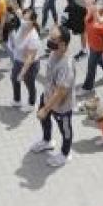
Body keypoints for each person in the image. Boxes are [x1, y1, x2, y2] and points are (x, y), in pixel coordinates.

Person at [29, 25, 75, 168]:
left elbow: (61, 92)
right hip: (47, 97)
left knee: (65, 130)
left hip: (61, 106)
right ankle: (47, 141)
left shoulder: (66, 65)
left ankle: (65, 154)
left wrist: (45, 109)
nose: (49, 41)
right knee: (44, 120)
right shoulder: (54, 53)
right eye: (50, 37)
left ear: (63, 44)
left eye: (53, 39)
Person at [7, 5, 41, 110]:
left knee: (29, 83)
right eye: (24, 19)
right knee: (14, 78)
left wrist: (22, 73)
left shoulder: (34, 37)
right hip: (18, 60)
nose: (23, 21)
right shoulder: (24, 24)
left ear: (33, 21)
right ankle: (17, 100)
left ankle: (31, 103)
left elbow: (30, 58)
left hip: (30, 65)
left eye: (26, 20)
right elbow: (17, 10)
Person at [80, 0, 103, 93]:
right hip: (93, 44)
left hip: (99, 46)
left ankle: (87, 87)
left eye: (99, 5)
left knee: (91, 66)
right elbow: (86, 21)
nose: (88, 7)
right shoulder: (91, 12)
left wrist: (94, 11)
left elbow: (100, 22)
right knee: (100, 60)